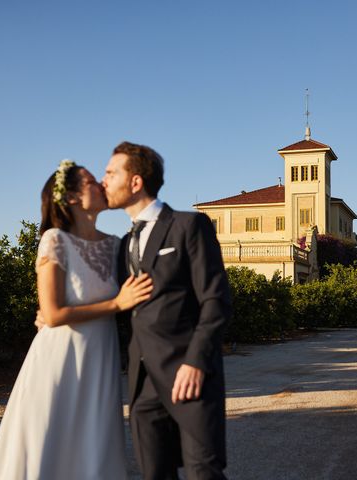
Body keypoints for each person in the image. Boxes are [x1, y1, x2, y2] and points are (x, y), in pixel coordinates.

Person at [0, 160, 152, 480]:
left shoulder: (115, 245)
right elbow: (53, 313)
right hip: (59, 358)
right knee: (51, 441)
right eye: (92, 181)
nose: (102, 185)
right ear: (72, 197)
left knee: (92, 444)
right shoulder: (55, 240)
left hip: (100, 357)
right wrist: (117, 303)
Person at [102, 142, 232, 480]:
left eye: (110, 172)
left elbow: (216, 299)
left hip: (190, 376)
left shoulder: (189, 226)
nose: (104, 181)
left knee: (203, 472)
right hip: (143, 384)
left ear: (135, 182)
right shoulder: (122, 245)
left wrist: (196, 362)